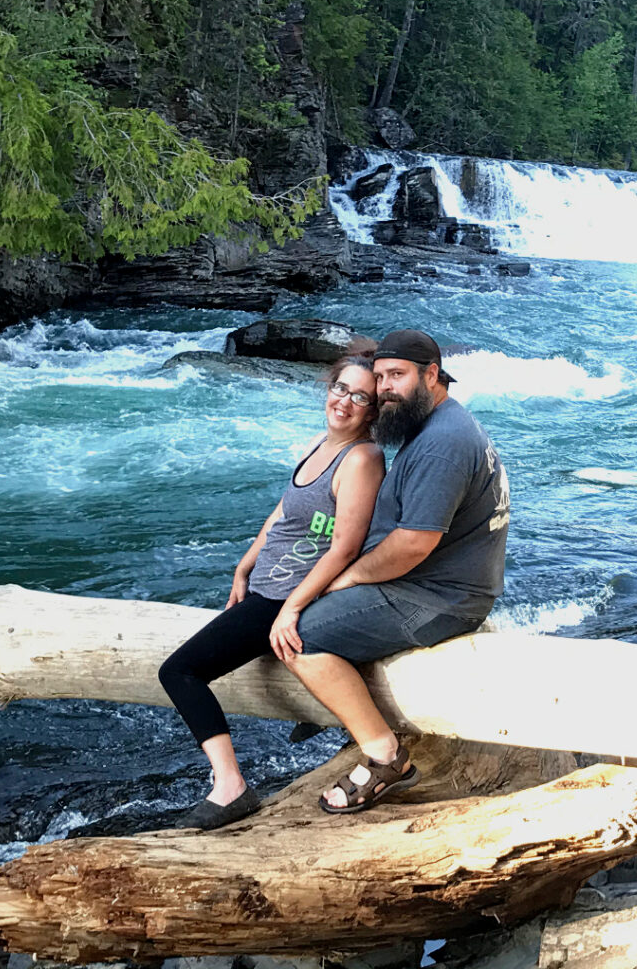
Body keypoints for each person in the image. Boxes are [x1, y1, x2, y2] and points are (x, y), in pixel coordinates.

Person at [277, 329, 510, 814]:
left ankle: (386, 758)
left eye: (397, 376)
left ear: (431, 374)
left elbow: (412, 543)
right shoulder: (442, 422)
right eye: (380, 377)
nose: (384, 388)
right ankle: (339, 710)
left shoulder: (442, 444)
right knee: (308, 606)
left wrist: (351, 578)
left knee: (298, 634)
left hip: (437, 597)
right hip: (440, 581)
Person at [159, 355, 385, 830]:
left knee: (179, 671)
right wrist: (245, 564)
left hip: (286, 598)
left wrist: (294, 609)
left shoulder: (362, 459)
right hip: (266, 587)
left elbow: (344, 547)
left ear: (372, 410)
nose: (344, 401)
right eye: (340, 388)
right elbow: (284, 512)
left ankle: (230, 787)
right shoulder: (319, 443)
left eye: (359, 396)